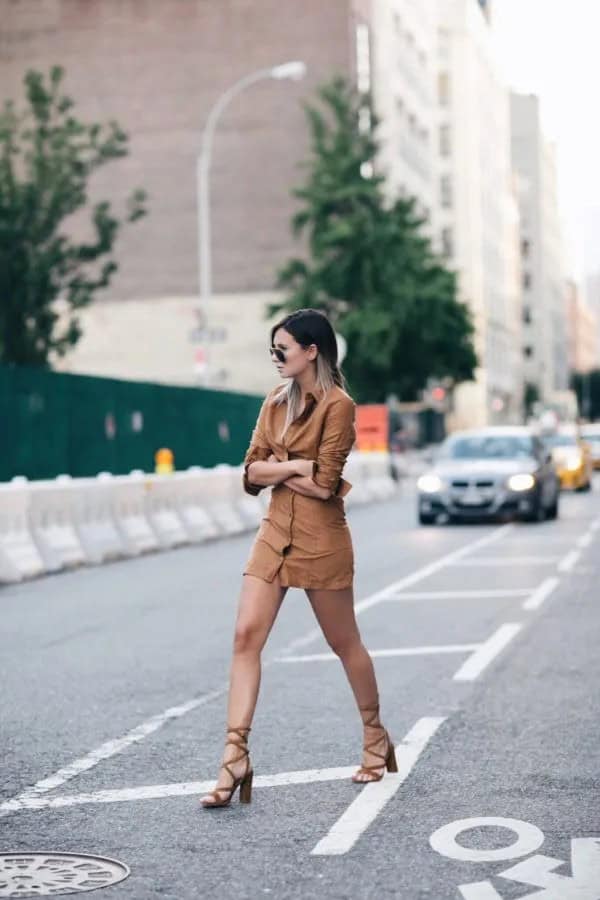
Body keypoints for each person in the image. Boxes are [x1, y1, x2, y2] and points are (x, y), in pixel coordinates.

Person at [200, 308, 397, 808]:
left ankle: (375, 738)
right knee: (245, 636)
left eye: (282, 349)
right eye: (273, 349)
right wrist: (295, 466)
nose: (275, 358)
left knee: (344, 642)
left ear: (312, 351)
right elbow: (249, 473)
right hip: (274, 532)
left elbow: (325, 484)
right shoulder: (272, 402)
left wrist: (278, 468)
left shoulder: (339, 406)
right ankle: (234, 756)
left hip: (322, 538)